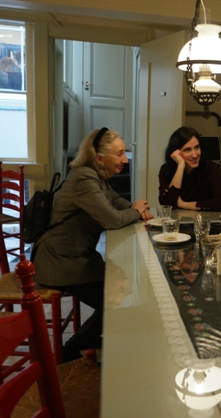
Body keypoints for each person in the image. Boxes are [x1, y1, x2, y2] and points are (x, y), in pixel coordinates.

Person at [32, 127, 153, 362]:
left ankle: (92, 340)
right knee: (113, 300)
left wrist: (135, 208)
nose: (125, 159)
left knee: (120, 287)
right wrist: (135, 211)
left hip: (75, 257)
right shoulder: (84, 179)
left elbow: (116, 203)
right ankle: (70, 350)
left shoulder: (96, 177)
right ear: (99, 159)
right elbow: (112, 219)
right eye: (119, 154)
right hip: (59, 261)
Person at [158, 126, 221, 212]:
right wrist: (180, 166)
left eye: (197, 147)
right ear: (176, 153)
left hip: (207, 219)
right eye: (187, 150)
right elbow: (167, 204)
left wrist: (183, 204)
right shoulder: (166, 170)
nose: (195, 155)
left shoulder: (211, 169)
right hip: (176, 219)